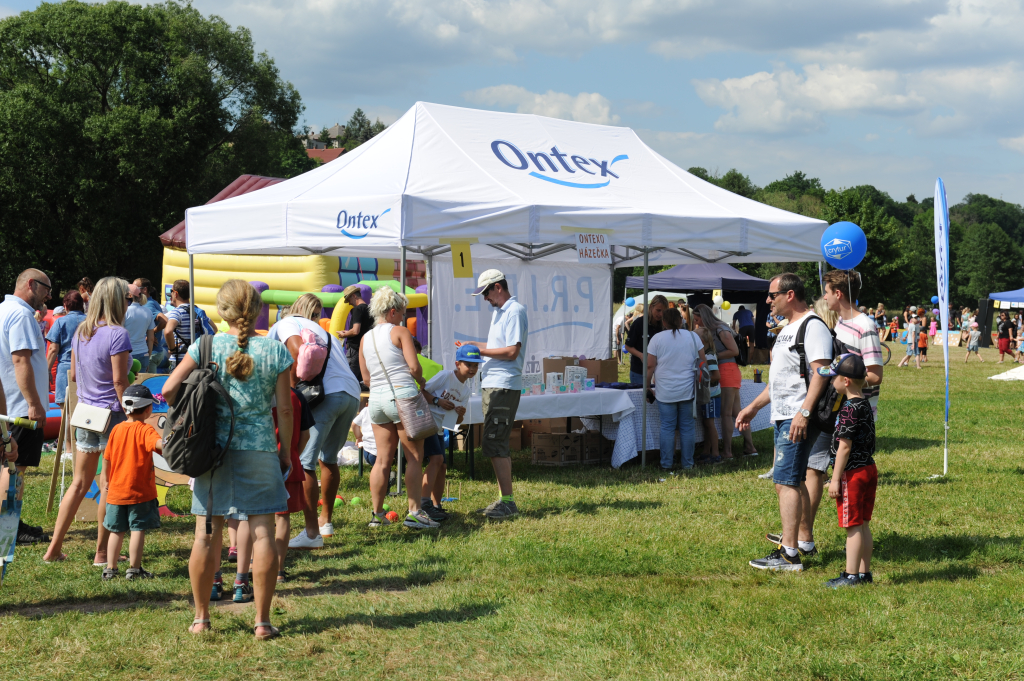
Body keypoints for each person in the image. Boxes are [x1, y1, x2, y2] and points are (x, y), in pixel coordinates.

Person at [163, 279, 293, 639]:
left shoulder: (204, 346)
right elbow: (284, 409)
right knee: (263, 533)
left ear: (222, 311)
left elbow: (169, 389)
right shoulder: (276, 351)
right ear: (257, 310)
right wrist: (285, 452)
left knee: (206, 535)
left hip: (211, 453)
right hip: (261, 450)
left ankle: (201, 618)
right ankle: (262, 621)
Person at [768, 271, 884, 559]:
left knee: (824, 473)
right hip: (829, 410)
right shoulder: (840, 324)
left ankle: (810, 541)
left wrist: (843, 379)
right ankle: (800, 536)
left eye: (827, 292)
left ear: (838, 293)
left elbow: (874, 374)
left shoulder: (865, 325)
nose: (824, 297)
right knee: (808, 470)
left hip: (851, 413)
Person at [737, 273, 832, 572]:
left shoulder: (812, 326)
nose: (768, 300)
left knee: (785, 482)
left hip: (796, 415)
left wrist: (804, 412)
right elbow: (778, 381)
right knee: (794, 479)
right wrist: (752, 408)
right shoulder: (787, 329)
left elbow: (822, 372)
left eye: (772, 295)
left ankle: (789, 554)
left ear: (790, 295)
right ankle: (803, 542)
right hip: (784, 414)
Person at [43, 277, 133, 564]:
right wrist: (131, 414)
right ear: (117, 301)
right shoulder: (118, 334)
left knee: (78, 483)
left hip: (84, 414)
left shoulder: (81, 331)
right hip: (112, 415)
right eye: (127, 298)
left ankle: (54, 548)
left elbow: (72, 374)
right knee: (108, 485)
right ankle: (101, 553)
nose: (129, 303)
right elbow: (119, 381)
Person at [269, 294, 361, 549]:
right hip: (350, 394)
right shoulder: (325, 332)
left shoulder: (287, 323)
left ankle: (311, 534)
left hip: (324, 395)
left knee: (306, 463)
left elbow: (296, 350)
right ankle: (325, 522)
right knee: (328, 459)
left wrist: (290, 392)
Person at [360, 286, 437, 529]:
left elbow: (366, 378)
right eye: (402, 312)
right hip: (403, 395)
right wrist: (421, 380)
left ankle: (377, 514)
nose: (403, 317)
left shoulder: (365, 338)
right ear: (392, 311)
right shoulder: (400, 332)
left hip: (376, 399)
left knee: (382, 460)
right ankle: (414, 512)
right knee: (414, 457)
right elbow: (414, 367)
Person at [458, 270, 529, 520]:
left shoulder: (514, 311)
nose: (485, 298)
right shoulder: (501, 312)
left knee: (494, 443)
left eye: (486, 293)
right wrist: (472, 346)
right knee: (497, 443)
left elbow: (511, 352)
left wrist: (480, 352)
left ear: (498, 287)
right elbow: (497, 347)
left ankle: (508, 502)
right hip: (494, 385)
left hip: (503, 385)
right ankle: (504, 500)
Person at [0, 268, 52, 546]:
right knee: (14, 469)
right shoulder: (20, 315)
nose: (49, 296)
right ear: (31, 284)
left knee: (8, 467)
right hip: (20, 407)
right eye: (46, 289)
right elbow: (20, 360)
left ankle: (12, 523)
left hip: (9, 403)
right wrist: (34, 403)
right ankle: (9, 528)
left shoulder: (5, 310)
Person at [820, 354, 877, 588]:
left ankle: (851, 575)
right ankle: (864, 573)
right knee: (863, 524)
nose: (830, 381)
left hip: (852, 474)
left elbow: (844, 447)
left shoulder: (848, 409)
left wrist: (835, 479)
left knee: (852, 526)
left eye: (833, 377)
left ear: (845, 381)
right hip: (868, 468)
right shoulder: (864, 404)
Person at [100, 384, 163, 581]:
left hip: (116, 491)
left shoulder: (116, 429)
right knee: (137, 529)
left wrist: (105, 479)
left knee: (115, 530)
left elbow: (107, 458)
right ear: (148, 409)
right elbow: (159, 445)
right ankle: (134, 570)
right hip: (139, 492)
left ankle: (110, 569)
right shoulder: (146, 430)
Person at [419, 344, 482, 520]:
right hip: (428, 421)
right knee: (436, 460)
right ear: (457, 364)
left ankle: (436, 505)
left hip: (440, 428)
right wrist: (437, 401)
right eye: (468, 364)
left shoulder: (466, 391)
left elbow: (457, 421)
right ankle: (424, 504)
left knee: (443, 466)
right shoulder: (445, 376)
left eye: (475, 365)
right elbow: (421, 392)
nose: (472, 369)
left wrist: (460, 414)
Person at [693, 304, 756, 458]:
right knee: (737, 413)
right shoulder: (714, 329)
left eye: (697, 319)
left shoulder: (720, 329)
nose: (696, 323)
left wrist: (711, 356)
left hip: (727, 371)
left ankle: (727, 451)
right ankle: (750, 447)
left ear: (704, 317)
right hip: (728, 371)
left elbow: (734, 351)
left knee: (726, 414)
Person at [647, 307, 705, 470]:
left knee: (667, 427)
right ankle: (688, 463)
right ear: (681, 320)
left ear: (664, 322)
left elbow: (650, 366)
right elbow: (703, 362)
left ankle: (666, 463)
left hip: (665, 390)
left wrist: (646, 386)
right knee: (687, 427)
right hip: (688, 389)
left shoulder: (657, 339)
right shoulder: (693, 336)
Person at [274, 387, 314, 583]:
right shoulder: (296, 395)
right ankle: (278, 569)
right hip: (287, 463)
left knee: (253, 518)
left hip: (256, 461)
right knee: (282, 517)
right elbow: (305, 434)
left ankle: (253, 564)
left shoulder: (252, 388)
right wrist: (292, 453)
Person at [46, 290, 86, 407]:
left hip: (66, 367)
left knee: (66, 408)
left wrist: (47, 370)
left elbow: (53, 349)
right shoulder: (91, 321)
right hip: (88, 367)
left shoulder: (60, 322)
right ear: (82, 305)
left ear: (65, 306)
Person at [694, 326, 723, 465]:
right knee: (706, 423)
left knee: (710, 424)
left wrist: (702, 380)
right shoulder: (704, 354)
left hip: (712, 395)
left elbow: (716, 375)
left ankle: (715, 453)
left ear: (701, 341)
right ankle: (706, 451)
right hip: (707, 394)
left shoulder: (709, 356)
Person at [624, 295, 667, 385]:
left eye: (664, 311)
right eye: (658, 310)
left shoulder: (664, 325)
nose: (661, 314)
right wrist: (641, 355)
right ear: (651, 307)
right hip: (639, 372)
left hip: (659, 372)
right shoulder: (639, 323)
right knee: (641, 394)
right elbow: (628, 346)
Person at [337, 285, 373, 384]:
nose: (349, 303)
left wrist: (344, 335)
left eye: (349, 299)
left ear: (354, 296)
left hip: (355, 349)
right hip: (366, 348)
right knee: (362, 379)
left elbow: (355, 331)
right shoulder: (369, 309)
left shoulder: (358, 309)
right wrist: (348, 332)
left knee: (348, 377)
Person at [164, 279, 203, 369]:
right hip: (196, 358)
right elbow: (213, 329)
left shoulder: (177, 312)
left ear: (175, 294)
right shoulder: (198, 311)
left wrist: (172, 348)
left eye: (171, 291)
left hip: (180, 359)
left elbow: (168, 331)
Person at [134, 278, 168, 373]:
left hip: (151, 353)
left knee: (148, 381)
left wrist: (151, 333)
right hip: (154, 351)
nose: (132, 290)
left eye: (135, 287)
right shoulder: (151, 302)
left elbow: (165, 321)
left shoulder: (148, 305)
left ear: (144, 289)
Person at [123, 283, 156, 371]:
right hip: (143, 353)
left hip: (126, 354)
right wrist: (148, 356)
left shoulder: (124, 311)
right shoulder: (148, 311)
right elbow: (151, 339)